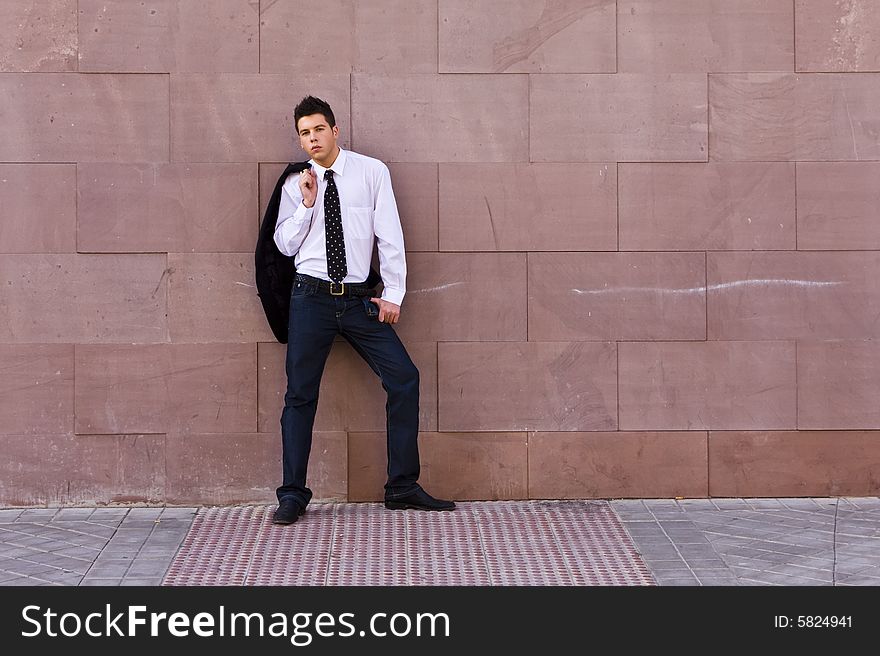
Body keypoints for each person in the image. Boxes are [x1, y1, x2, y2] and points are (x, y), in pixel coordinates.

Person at [270, 95, 455, 525]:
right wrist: (306, 205)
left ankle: (402, 487)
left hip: (357, 300)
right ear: (299, 141)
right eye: (304, 133)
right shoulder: (296, 183)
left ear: (335, 131)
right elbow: (284, 246)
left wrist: (394, 293)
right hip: (310, 297)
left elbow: (389, 233)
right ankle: (293, 495)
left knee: (404, 378)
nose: (312, 138)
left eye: (318, 129)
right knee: (300, 395)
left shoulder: (372, 172)